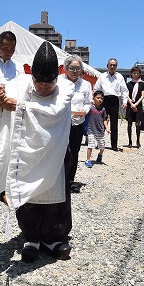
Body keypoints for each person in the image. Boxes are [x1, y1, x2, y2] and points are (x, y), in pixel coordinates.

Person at [0, 41, 75, 263]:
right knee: (28, 195)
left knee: (54, 195)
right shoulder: (20, 83)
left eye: (49, 83)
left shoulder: (66, 88)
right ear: (32, 76)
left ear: (57, 78)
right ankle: (32, 237)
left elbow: (54, 112)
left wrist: (19, 106)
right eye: (39, 82)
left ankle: (53, 238)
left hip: (54, 150)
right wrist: (0, 99)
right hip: (26, 151)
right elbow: (6, 99)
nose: (44, 87)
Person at [62, 54, 92, 193]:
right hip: (61, 123)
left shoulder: (86, 84)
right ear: (66, 68)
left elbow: (88, 102)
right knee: (60, 152)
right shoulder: (59, 82)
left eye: (77, 68)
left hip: (77, 122)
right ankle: (58, 181)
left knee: (74, 151)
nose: (75, 71)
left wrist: (84, 110)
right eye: (72, 68)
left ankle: (70, 180)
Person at [93, 58, 128, 151]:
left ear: (116, 67)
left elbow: (124, 90)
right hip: (104, 100)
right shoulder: (102, 76)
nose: (112, 66)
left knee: (114, 123)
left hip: (114, 101)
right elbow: (96, 88)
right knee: (101, 122)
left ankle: (114, 145)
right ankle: (100, 143)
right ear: (107, 66)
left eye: (114, 65)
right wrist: (97, 100)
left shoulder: (120, 77)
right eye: (111, 65)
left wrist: (125, 101)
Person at [85, 90, 110, 168]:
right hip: (91, 129)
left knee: (102, 146)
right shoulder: (90, 108)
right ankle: (88, 160)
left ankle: (100, 155)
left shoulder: (103, 109)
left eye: (101, 98)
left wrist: (107, 128)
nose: (100, 100)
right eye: (98, 98)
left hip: (100, 130)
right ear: (93, 98)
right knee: (91, 145)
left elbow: (104, 119)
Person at [125, 66, 144, 148]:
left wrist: (136, 104)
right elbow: (126, 95)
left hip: (138, 106)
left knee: (138, 124)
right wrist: (131, 104)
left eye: (137, 73)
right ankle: (130, 141)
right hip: (130, 106)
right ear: (131, 74)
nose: (136, 74)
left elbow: (142, 96)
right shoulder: (128, 84)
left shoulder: (142, 84)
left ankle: (138, 141)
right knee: (129, 124)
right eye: (134, 73)